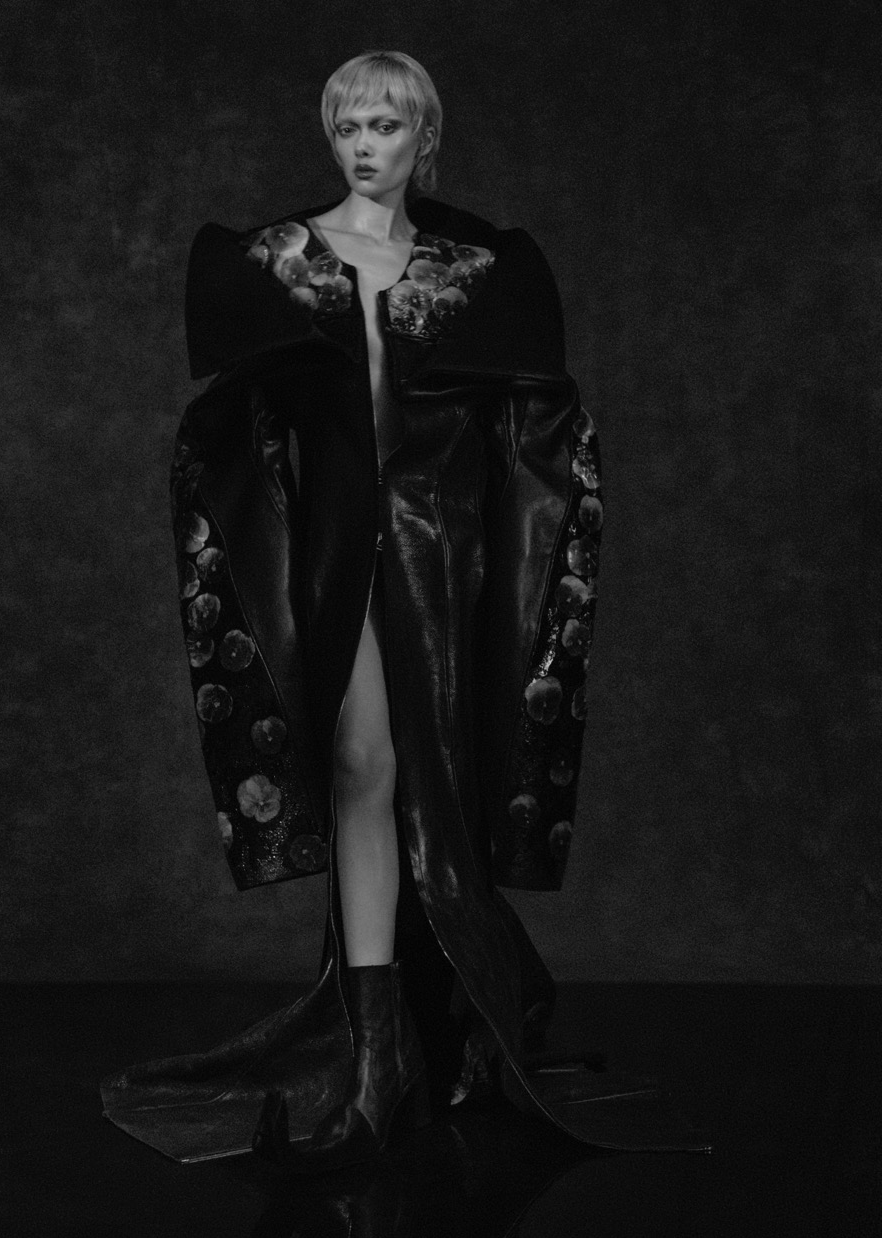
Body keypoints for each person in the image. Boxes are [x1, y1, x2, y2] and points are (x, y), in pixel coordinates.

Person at [101, 51, 705, 1168]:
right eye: (346, 126)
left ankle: (428, 1034)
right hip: (336, 554)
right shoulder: (276, 262)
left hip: (445, 553)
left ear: (425, 136)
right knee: (362, 763)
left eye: (383, 125)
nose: (362, 145)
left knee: (441, 784)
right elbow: (236, 421)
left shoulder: (477, 270)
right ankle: (374, 1052)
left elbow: (532, 428)